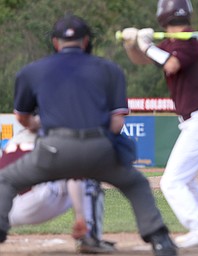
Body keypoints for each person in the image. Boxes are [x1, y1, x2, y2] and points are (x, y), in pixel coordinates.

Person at [0, 14, 177, 256]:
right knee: (136, 184)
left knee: (7, 180)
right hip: (98, 148)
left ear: (55, 42)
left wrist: (41, 122)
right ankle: (160, 240)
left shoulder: (32, 70)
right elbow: (116, 124)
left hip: (53, 150)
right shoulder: (110, 69)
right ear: (85, 42)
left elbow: (23, 118)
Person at [120, 0, 198, 248]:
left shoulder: (189, 44)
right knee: (185, 181)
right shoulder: (172, 44)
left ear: (163, 17)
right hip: (197, 121)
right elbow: (143, 59)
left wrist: (146, 45)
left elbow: (169, 63)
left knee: (172, 182)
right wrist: (132, 44)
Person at [0, 128, 116, 254]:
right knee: (84, 173)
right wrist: (79, 216)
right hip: (35, 202)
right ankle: (89, 238)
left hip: (5, 212)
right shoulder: (56, 136)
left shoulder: (14, 139)